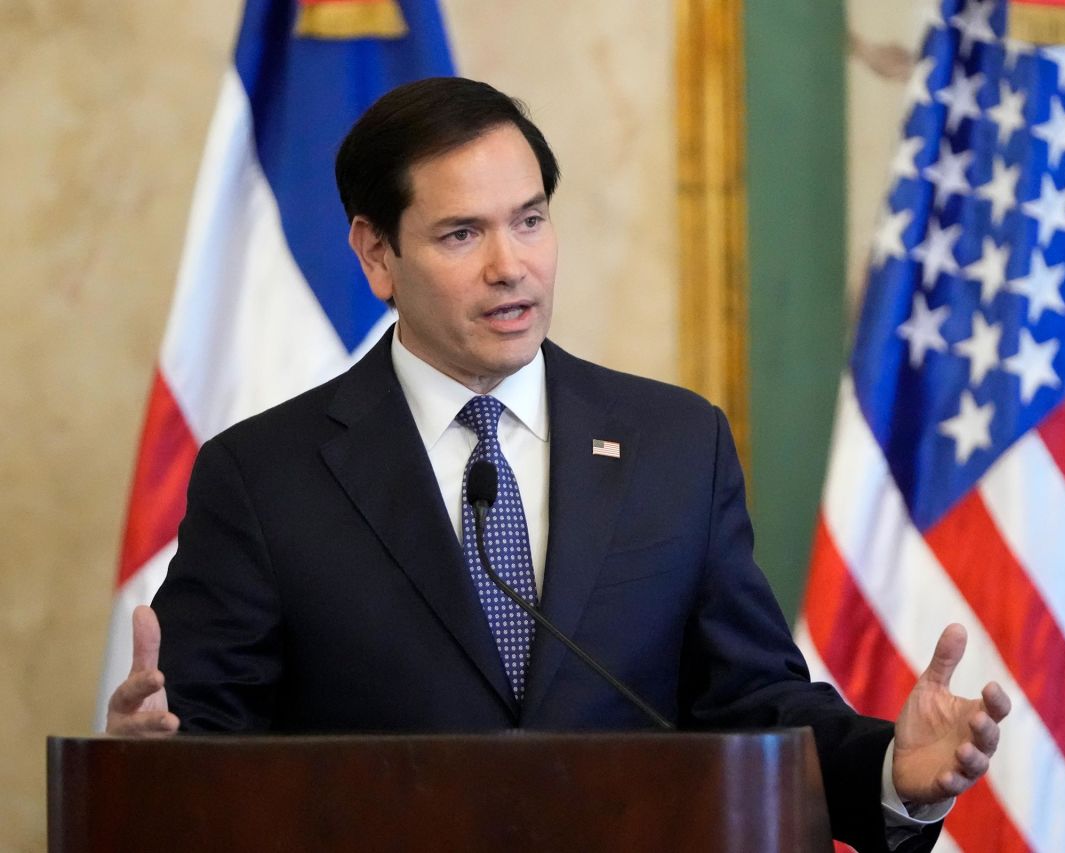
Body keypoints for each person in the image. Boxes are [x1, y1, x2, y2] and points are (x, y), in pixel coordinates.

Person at [106, 77, 1009, 852]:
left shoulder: (674, 444)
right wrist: (146, 772)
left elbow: (753, 704)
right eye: (462, 234)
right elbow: (202, 755)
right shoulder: (265, 476)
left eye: (530, 220)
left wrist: (894, 770)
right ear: (376, 254)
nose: (512, 266)